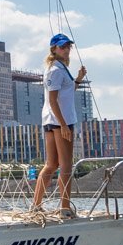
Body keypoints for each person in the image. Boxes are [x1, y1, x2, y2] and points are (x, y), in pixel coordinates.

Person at [32, 33, 87, 216]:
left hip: (50, 121)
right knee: (65, 165)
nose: (66, 49)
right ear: (54, 49)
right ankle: (65, 208)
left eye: (68, 46)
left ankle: (36, 205)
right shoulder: (56, 70)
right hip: (60, 121)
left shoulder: (60, 69)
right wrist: (63, 125)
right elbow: (53, 100)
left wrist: (78, 79)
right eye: (62, 46)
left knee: (52, 164)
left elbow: (67, 92)